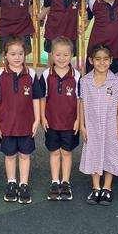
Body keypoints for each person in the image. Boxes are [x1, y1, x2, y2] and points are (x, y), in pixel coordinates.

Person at [0, 36, 42, 204]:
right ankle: (11, 183)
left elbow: (36, 98)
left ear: (25, 55)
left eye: (20, 53)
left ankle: (23, 184)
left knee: (25, 155)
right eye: (12, 54)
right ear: (5, 56)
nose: (17, 57)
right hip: (7, 125)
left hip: (26, 124)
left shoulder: (32, 74)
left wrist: (36, 120)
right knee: (10, 156)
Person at [79, 43, 118, 206]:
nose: (102, 63)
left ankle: (107, 188)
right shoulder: (85, 81)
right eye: (98, 59)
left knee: (110, 154)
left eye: (105, 59)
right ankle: (96, 188)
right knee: (94, 154)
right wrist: (82, 126)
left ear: (111, 60)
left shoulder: (116, 81)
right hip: (92, 126)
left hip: (110, 126)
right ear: (91, 61)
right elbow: (82, 103)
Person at [39, 37, 81, 201]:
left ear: (71, 55)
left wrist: (78, 119)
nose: (61, 58)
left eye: (65, 55)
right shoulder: (46, 75)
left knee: (67, 153)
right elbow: (43, 97)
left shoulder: (76, 76)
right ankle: (55, 182)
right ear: (52, 55)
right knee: (54, 152)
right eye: (58, 55)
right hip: (52, 122)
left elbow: (79, 100)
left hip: (70, 123)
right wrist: (42, 116)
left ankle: (66, 182)